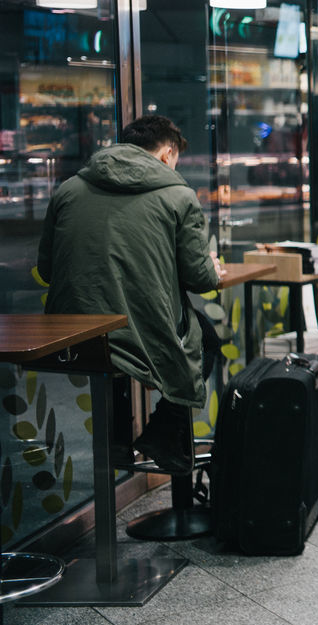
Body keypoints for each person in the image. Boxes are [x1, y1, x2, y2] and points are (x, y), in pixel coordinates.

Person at [38, 115, 224, 473]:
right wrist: (212, 267)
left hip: (71, 333)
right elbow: (201, 279)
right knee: (206, 340)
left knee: (115, 355)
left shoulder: (68, 189)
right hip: (138, 331)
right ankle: (165, 434)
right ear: (168, 153)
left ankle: (118, 442)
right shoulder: (179, 196)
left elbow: (47, 270)